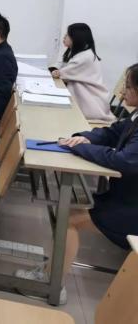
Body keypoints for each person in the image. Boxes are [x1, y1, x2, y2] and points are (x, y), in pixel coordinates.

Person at [16, 63, 138, 305]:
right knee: (70, 214)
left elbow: (124, 161)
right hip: (125, 196)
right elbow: (112, 133)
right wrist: (83, 138)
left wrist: (82, 148)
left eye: (128, 87)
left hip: (132, 208)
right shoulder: (135, 116)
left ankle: (52, 286)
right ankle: (51, 270)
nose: (123, 92)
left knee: (70, 220)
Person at [49, 23, 115, 122]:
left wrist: (55, 71)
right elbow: (60, 65)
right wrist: (55, 70)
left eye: (67, 35)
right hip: (86, 98)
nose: (64, 37)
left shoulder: (85, 57)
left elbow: (60, 74)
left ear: (76, 38)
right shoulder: (76, 52)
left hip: (92, 103)